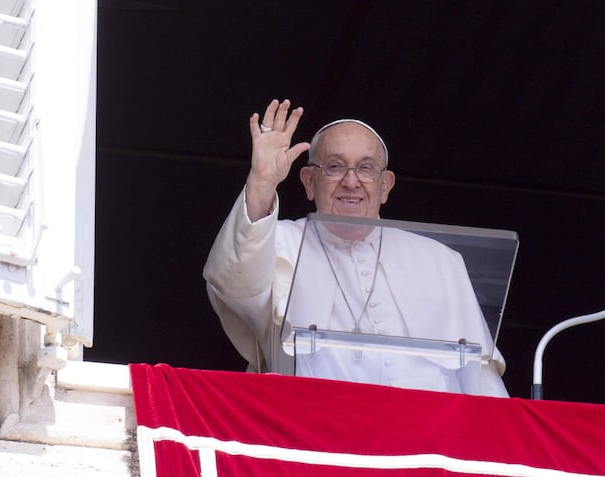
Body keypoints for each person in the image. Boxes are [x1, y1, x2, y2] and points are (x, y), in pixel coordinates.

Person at [203, 99, 508, 396]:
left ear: (385, 186)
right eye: (335, 167)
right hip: (318, 431)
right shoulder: (279, 241)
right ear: (309, 181)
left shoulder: (440, 260)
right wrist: (261, 183)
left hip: (428, 438)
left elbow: (479, 371)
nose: (351, 181)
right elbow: (234, 283)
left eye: (366, 168)